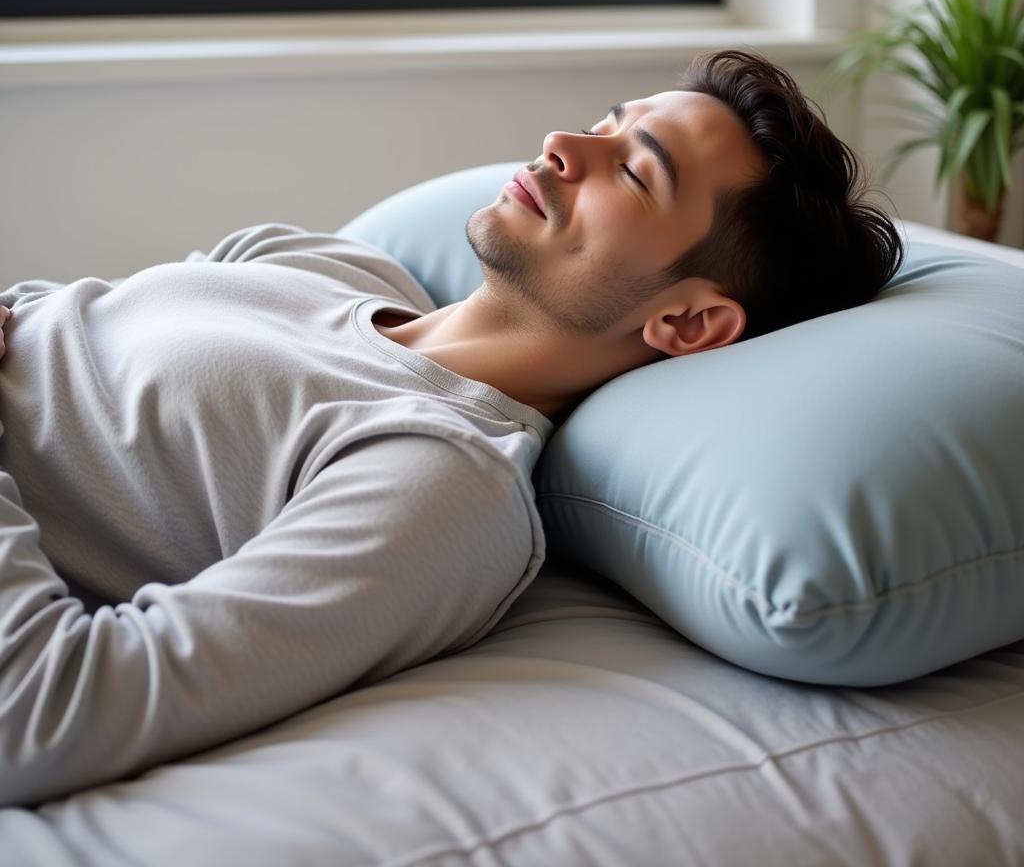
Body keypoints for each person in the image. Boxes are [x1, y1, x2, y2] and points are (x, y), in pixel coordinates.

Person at [0, 49, 904, 807]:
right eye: (608, 119)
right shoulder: (335, 264)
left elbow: (45, 712)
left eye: (633, 170)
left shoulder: (443, 483)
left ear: (689, 324)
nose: (564, 145)